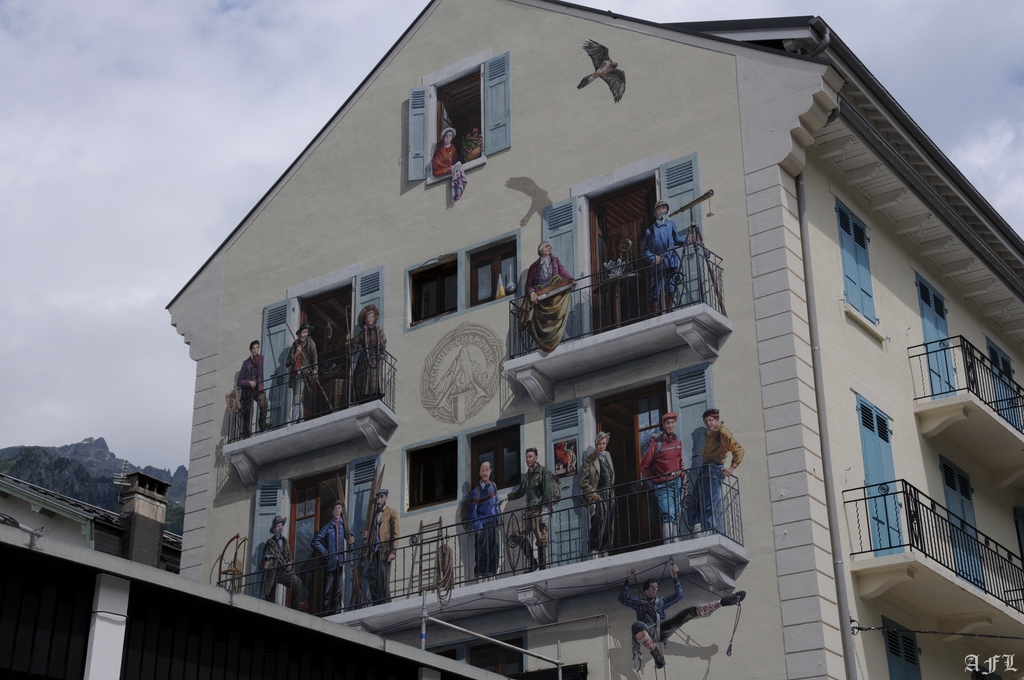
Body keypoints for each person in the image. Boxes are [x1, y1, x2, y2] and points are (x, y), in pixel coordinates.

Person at [619, 564, 745, 670]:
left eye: (657, 587)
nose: (656, 589)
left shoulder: (661, 602)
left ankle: (722, 602)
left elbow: (679, 595)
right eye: (653, 587)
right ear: (646, 591)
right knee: (637, 626)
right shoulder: (638, 603)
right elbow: (622, 598)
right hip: (646, 631)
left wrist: (675, 578)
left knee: (687, 612)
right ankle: (656, 655)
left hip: (661, 629)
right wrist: (628, 580)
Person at [504, 447, 560, 571]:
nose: (528, 459)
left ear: (536, 458)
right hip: (529, 510)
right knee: (517, 532)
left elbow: (548, 491)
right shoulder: (528, 475)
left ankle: (542, 567)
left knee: (541, 537)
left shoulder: (542, 471)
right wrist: (506, 497)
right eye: (526, 457)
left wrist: (545, 509)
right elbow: (520, 491)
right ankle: (533, 562)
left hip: (539, 509)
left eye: (530, 457)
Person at [519, 241, 576, 353]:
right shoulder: (534, 267)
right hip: (541, 294)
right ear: (541, 251)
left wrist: (571, 280)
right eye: (547, 246)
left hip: (554, 292)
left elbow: (563, 273)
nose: (550, 247)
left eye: (549, 246)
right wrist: (532, 293)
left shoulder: (555, 261)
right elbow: (529, 285)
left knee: (558, 279)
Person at [639, 412, 685, 542]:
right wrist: (656, 478)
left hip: (677, 482)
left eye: (672, 423)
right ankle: (669, 543)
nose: (670, 425)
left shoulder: (678, 440)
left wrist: (683, 479)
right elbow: (643, 466)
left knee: (677, 513)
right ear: (664, 425)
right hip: (662, 485)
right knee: (668, 513)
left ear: (675, 424)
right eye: (667, 423)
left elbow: (681, 462)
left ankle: (676, 541)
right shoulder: (657, 443)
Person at [700, 409, 745, 535]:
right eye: (706, 421)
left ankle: (709, 529)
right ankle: (704, 527)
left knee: (711, 501)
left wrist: (731, 468)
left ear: (716, 420)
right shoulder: (709, 433)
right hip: (706, 468)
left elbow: (739, 450)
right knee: (703, 499)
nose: (708, 423)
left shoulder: (722, 433)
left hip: (715, 468)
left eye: (711, 420)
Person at [311, 499, 355, 613]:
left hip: (340, 562)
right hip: (330, 563)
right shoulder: (327, 527)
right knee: (327, 590)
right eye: (335, 509)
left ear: (341, 510)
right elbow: (315, 541)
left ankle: (336, 612)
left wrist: (352, 538)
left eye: (339, 508)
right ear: (332, 512)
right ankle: (326, 613)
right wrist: (324, 551)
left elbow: (350, 535)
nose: (337, 511)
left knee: (338, 589)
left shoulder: (343, 525)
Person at [641, 201, 686, 311]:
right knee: (655, 288)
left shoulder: (671, 224)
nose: (661, 211)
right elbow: (645, 250)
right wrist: (654, 258)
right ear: (655, 213)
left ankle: (669, 308)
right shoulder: (650, 231)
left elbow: (677, 239)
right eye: (658, 209)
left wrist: (687, 239)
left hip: (671, 260)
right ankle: (655, 312)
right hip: (658, 263)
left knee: (671, 286)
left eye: (663, 208)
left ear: (666, 210)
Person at [580, 431, 616, 557]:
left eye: (604, 444)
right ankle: (594, 549)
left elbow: (610, 474)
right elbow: (583, 482)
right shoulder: (589, 460)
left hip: (609, 492)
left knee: (609, 522)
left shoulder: (608, 455)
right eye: (599, 444)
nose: (602, 446)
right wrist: (593, 495)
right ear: (596, 444)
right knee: (597, 522)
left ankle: (605, 549)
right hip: (598, 494)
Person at [361, 489, 399, 604]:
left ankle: (385, 603)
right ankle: (376, 602)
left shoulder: (391, 513)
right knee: (372, 578)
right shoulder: (373, 515)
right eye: (378, 498)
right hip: (374, 551)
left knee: (383, 578)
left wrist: (393, 552)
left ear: (386, 498)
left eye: (381, 497)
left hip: (385, 551)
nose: (379, 500)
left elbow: (395, 533)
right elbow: (372, 531)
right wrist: (366, 535)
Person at [261, 515, 306, 609]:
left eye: (281, 525)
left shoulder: (285, 541)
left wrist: (290, 563)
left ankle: (294, 609)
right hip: (273, 573)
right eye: (278, 526)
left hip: (284, 572)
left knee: (298, 583)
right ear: (274, 529)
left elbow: (289, 556)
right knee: (270, 598)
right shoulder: (269, 544)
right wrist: (264, 566)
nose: (280, 528)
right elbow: (262, 564)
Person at [346, 304, 387, 404]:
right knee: (364, 378)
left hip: (376, 358)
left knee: (375, 377)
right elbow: (353, 348)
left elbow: (383, 344)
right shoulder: (361, 334)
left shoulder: (379, 331)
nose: (371, 318)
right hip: (364, 360)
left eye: (373, 316)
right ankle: (363, 396)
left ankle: (375, 394)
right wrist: (348, 341)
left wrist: (381, 350)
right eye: (369, 317)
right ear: (365, 320)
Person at [467, 461, 501, 578]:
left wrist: (498, 518)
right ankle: (480, 576)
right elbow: (471, 513)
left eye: (486, 470)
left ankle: (493, 575)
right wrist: (479, 528)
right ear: (479, 473)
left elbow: (496, 504)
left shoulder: (493, 486)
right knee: (482, 552)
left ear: (490, 471)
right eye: (482, 470)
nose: (484, 473)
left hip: (493, 524)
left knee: (495, 550)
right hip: (483, 526)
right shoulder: (475, 492)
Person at [286, 324, 318, 421]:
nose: (305, 334)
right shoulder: (295, 344)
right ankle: (300, 419)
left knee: (297, 397)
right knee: (297, 398)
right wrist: (296, 353)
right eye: (303, 332)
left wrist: (315, 369)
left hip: (304, 374)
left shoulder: (310, 343)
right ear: (299, 334)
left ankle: (295, 420)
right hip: (294, 375)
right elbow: (287, 362)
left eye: (306, 332)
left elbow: (314, 357)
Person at [237, 340, 269, 435]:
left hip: (258, 388)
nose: (255, 350)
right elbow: (239, 381)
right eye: (253, 348)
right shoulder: (246, 363)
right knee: (247, 412)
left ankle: (262, 425)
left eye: (256, 348)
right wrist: (248, 382)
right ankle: (246, 433)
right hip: (248, 391)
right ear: (250, 350)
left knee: (264, 403)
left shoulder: (261, 359)